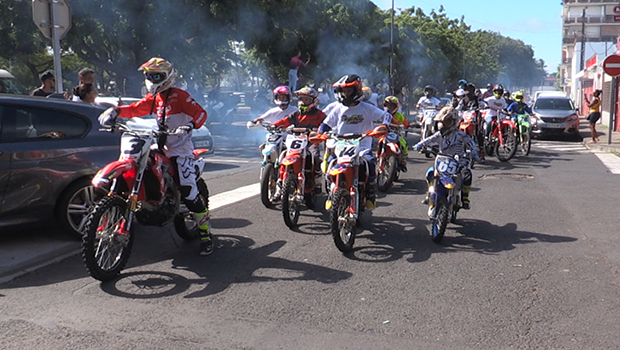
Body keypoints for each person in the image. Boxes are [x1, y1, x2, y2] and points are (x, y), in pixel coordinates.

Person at [97, 57, 213, 256]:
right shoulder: (155, 98)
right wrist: (115, 111)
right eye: (149, 75)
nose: (151, 79)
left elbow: (201, 114)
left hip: (180, 150)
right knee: (144, 162)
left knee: (189, 192)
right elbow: (135, 109)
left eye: (156, 75)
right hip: (160, 145)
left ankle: (205, 235)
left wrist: (190, 126)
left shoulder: (180, 96)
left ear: (167, 76)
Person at [318, 74, 392, 210]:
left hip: (361, 145)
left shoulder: (367, 108)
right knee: (329, 164)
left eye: (348, 91)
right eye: (343, 91)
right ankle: (331, 193)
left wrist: (385, 125)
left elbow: (386, 115)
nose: (346, 94)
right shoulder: (338, 108)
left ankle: (370, 193)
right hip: (340, 145)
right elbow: (325, 124)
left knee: (370, 163)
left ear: (356, 90)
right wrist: (320, 133)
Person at [412, 106, 479, 210]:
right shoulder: (439, 134)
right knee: (430, 173)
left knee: (467, 175)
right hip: (442, 160)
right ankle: (430, 194)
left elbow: (471, 143)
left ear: (453, 122)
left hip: (458, 162)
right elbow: (428, 140)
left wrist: (474, 154)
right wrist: (419, 145)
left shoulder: (460, 134)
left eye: (446, 122)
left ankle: (465, 198)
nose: (442, 125)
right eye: (441, 122)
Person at [272, 86, 326, 192]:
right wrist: (274, 125)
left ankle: (317, 181)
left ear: (313, 101)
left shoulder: (319, 114)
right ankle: (281, 177)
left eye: (306, 99)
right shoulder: (297, 113)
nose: (303, 102)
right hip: (296, 139)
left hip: (311, 141)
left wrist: (321, 131)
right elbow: (285, 120)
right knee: (284, 154)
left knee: (315, 156)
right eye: (301, 99)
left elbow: (327, 123)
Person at [384, 95, 409, 171]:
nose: (389, 107)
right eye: (387, 105)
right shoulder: (383, 114)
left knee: (404, 144)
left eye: (391, 105)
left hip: (396, 134)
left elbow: (406, 123)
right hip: (384, 133)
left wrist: (407, 125)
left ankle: (403, 161)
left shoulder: (399, 116)